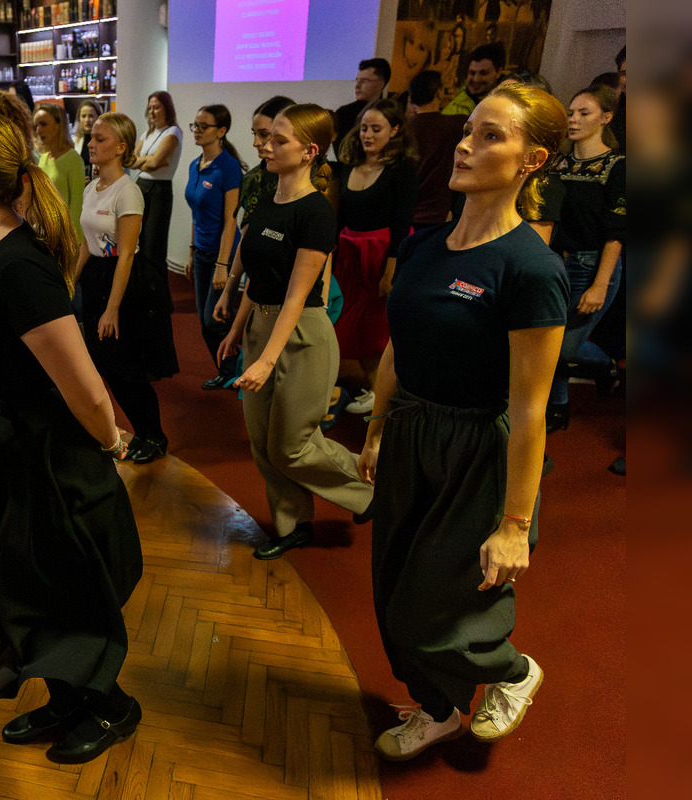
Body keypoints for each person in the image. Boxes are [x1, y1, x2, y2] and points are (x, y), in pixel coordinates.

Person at [355, 83, 569, 761]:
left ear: (533, 160)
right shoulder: (425, 246)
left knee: (435, 609)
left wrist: (513, 524)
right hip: (413, 434)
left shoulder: (530, 268)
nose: (469, 145)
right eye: (469, 130)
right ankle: (440, 709)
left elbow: (530, 407)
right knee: (392, 595)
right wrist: (379, 427)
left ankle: (512, 670)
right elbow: (397, 347)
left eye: (492, 136)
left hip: (479, 448)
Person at [0, 109, 143, 766]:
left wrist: (111, 445)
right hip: (12, 452)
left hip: (51, 459)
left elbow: (80, 384)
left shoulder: (19, 266)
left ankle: (110, 706)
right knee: (28, 581)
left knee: (65, 584)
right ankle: (68, 696)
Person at [213, 104, 373, 559]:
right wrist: (237, 322)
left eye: (278, 140)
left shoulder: (317, 213)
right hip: (262, 326)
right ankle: (293, 524)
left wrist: (265, 359)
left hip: (301, 334)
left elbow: (297, 295)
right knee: (264, 444)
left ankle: (370, 491)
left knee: (293, 445)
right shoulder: (267, 199)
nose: (265, 144)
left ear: (310, 152)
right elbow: (259, 277)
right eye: (267, 138)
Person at [77, 112, 178, 464]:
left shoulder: (128, 191)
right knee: (108, 366)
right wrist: (70, 280)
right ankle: (143, 431)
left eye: (100, 139)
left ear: (121, 148)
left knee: (127, 369)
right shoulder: (92, 188)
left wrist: (112, 308)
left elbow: (126, 255)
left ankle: (155, 434)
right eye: (91, 137)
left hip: (122, 285)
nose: (91, 143)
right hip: (94, 280)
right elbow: (85, 243)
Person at [544, 84, 625, 433]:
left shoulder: (617, 166)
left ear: (606, 118)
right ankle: (558, 408)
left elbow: (617, 230)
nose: (573, 119)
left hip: (591, 266)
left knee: (562, 349)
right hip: (554, 263)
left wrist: (600, 284)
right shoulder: (558, 162)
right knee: (547, 344)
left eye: (584, 113)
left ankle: (605, 363)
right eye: (571, 112)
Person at [332, 98, 418, 415]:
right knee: (344, 327)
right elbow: (340, 219)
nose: (367, 134)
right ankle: (374, 393)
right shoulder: (348, 166)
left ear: (395, 130)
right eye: (364, 127)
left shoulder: (401, 171)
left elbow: (401, 224)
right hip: (349, 255)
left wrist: (391, 271)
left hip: (382, 255)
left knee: (375, 333)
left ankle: (382, 399)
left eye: (376, 128)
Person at [184, 104, 244, 390]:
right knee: (204, 320)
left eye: (203, 126)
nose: (197, 131)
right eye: (194, 125)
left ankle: (238, 367)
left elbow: (230, 221)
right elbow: (196, 213)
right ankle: (226, 371)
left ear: (221, 131)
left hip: (224, 254)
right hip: (202, 252)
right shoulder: (195, 165)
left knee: (213, 319)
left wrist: (223, 265)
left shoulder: (228, 168)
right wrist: (192, 250)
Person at [406, 70, 467, 228]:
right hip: (437, 215)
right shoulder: (455, 125)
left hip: (406, 213)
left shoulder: (403, 130)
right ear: (438, 93)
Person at [133, 92, 182, 284]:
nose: (152, 111)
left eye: (157, 107)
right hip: (141, 187)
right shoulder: (147, 134)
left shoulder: (173, 132)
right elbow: (131, 160)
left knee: (154, 247)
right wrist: (151, 161)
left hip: (159, 191)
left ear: (167, 109)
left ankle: (157, 299)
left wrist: (147, 162)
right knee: (139, 244)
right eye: (150, 107)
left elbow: (155, 164)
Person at [239, 96, 294, 229]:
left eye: (264, 134)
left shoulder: (311, 178)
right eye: (254, 134)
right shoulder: (251, 178)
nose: (255, 143)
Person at [34, 103, 84, 240]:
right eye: (36, 125)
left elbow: (76, 207)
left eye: (43, 124)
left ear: (58, 125)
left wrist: (70, 240)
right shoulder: (44, 158)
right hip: (45, 232)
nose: (38, 130)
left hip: (64, 237)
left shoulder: (73, 160)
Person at [334, 58, 390, 157]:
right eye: (357, 81)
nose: (358, 86)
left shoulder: (391, 112)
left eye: (364, 81)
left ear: (381, 84)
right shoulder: (344, 113)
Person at [442, 42, 506, 116]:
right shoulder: (456, 109)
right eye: (472, 73)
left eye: (483, 73)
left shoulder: (510, 106)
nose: (476, 79)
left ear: (498, 72)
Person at [72, 99, 100, 182]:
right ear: (79, 118)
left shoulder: (104, 142)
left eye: (91, 116)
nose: (87, 120)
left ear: (98, 117)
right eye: (83, 116)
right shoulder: (74, 142)